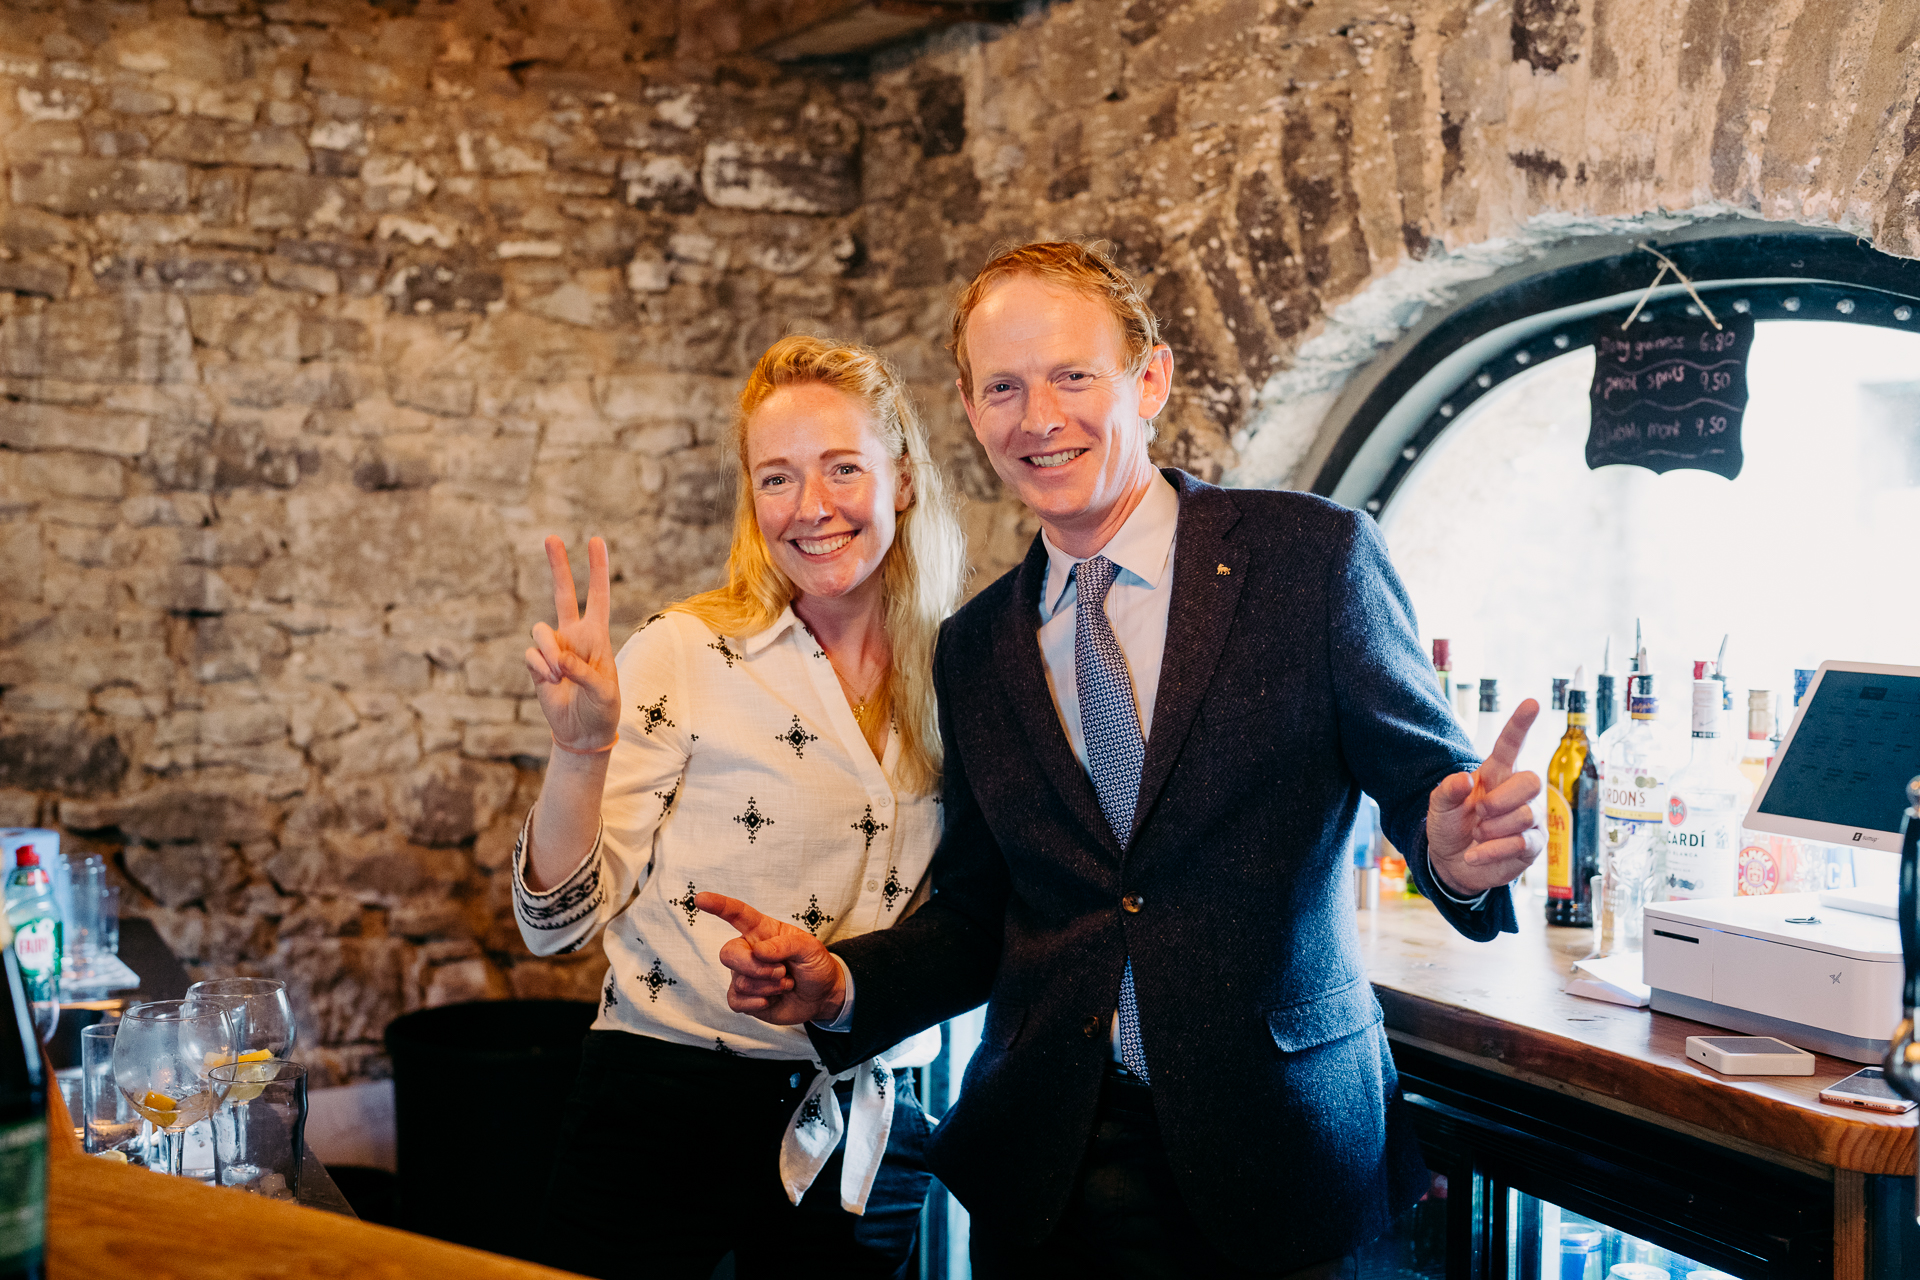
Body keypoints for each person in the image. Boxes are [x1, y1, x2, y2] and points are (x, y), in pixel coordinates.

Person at [699, 243, 1547, 1279]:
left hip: (1285, 1153)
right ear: (970, 411)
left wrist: (1453, 851)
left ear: (1151, 378)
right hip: (1049, 1175)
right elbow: (978, 913)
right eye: (1003, 387)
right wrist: (840, 981)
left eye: (1071, 375)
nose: (1038, 415)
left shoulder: (1310, 558)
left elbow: (1431, 791)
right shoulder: (974, 646)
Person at [514, 334, 968, 1279]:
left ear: (905, 480)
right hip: (658, 1102)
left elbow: (971, 912)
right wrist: (578, 749)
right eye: (777, 479)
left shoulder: (960, 669)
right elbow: (552, 928)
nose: (811, 508)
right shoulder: (685, 653)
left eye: (843, 468)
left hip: (866, 1119)